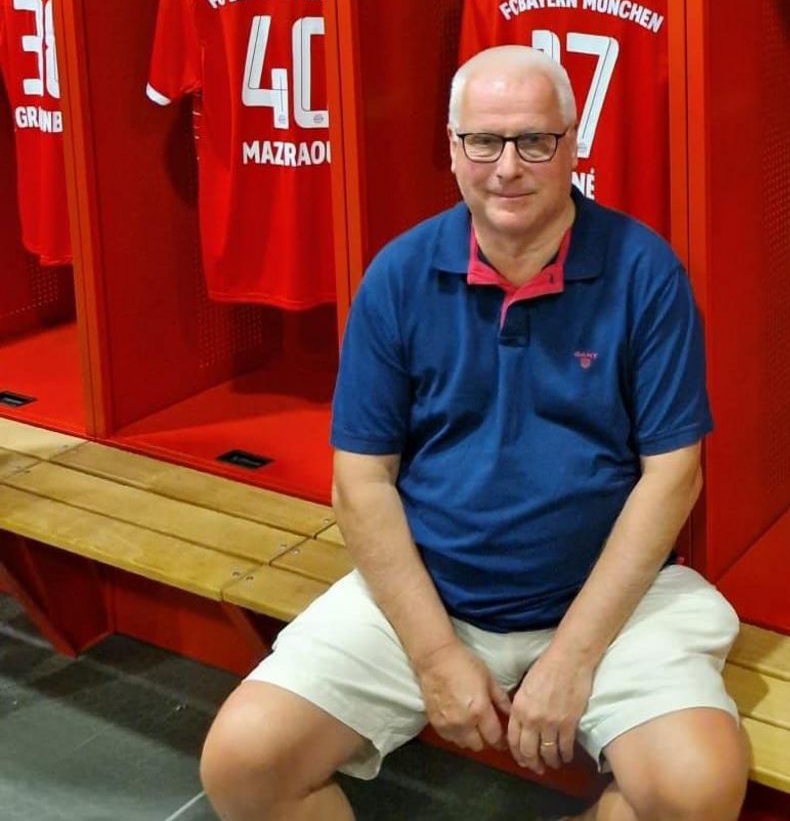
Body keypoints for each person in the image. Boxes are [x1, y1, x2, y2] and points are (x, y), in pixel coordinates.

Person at [198, 45, 747, 821]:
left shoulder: (644, 272)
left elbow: (673, 474)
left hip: (606, 602)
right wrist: (434, 654)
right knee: (244, 763)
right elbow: (359, 482)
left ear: (573, 143)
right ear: (453, 150)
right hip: (434, 589)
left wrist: (575, 654)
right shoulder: (398, 275)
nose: (507, 167)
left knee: (696, 789)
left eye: (535, 140)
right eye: (483, 141)